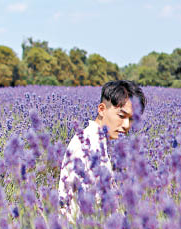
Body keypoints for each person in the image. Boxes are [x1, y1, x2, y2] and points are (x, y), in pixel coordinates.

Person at [58, 80, 146, 220]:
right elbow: (95, 205)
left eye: (132, 119)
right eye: (121, 116)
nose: (126, 125)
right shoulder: (90, 147)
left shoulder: (96, 141)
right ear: (101, 109)